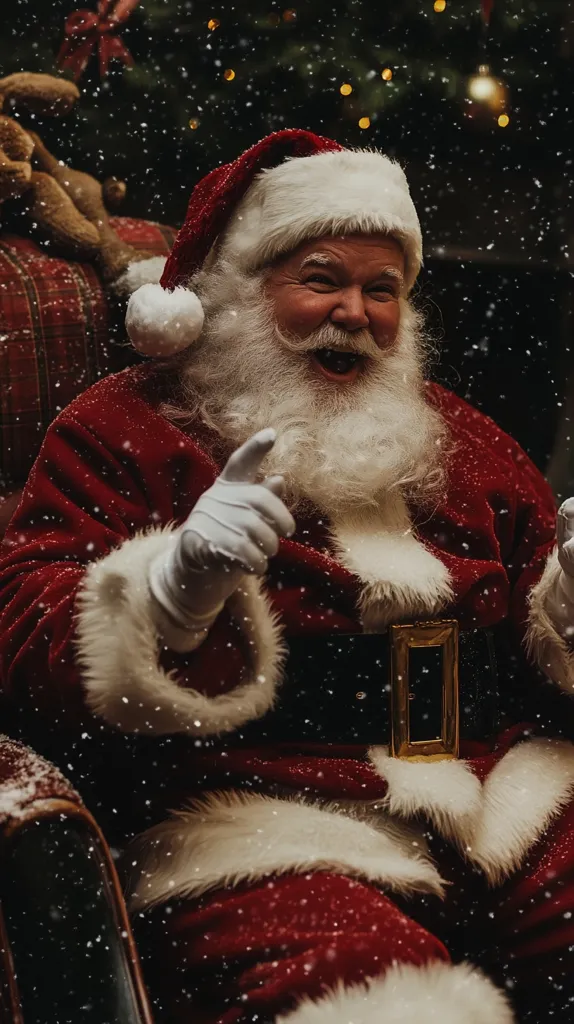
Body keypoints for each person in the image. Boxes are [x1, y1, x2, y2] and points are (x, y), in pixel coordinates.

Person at [2, 128, 574, 1024]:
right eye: (321, 278)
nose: (355, 312)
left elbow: (539, 640)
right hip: (252, 818)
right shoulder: (123, 428)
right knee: (374, 1002)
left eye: (382, 289)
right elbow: (23, 634)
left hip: (498, 790)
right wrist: (166, 595)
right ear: (241, 289)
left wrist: (567, 609)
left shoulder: (464, 441)